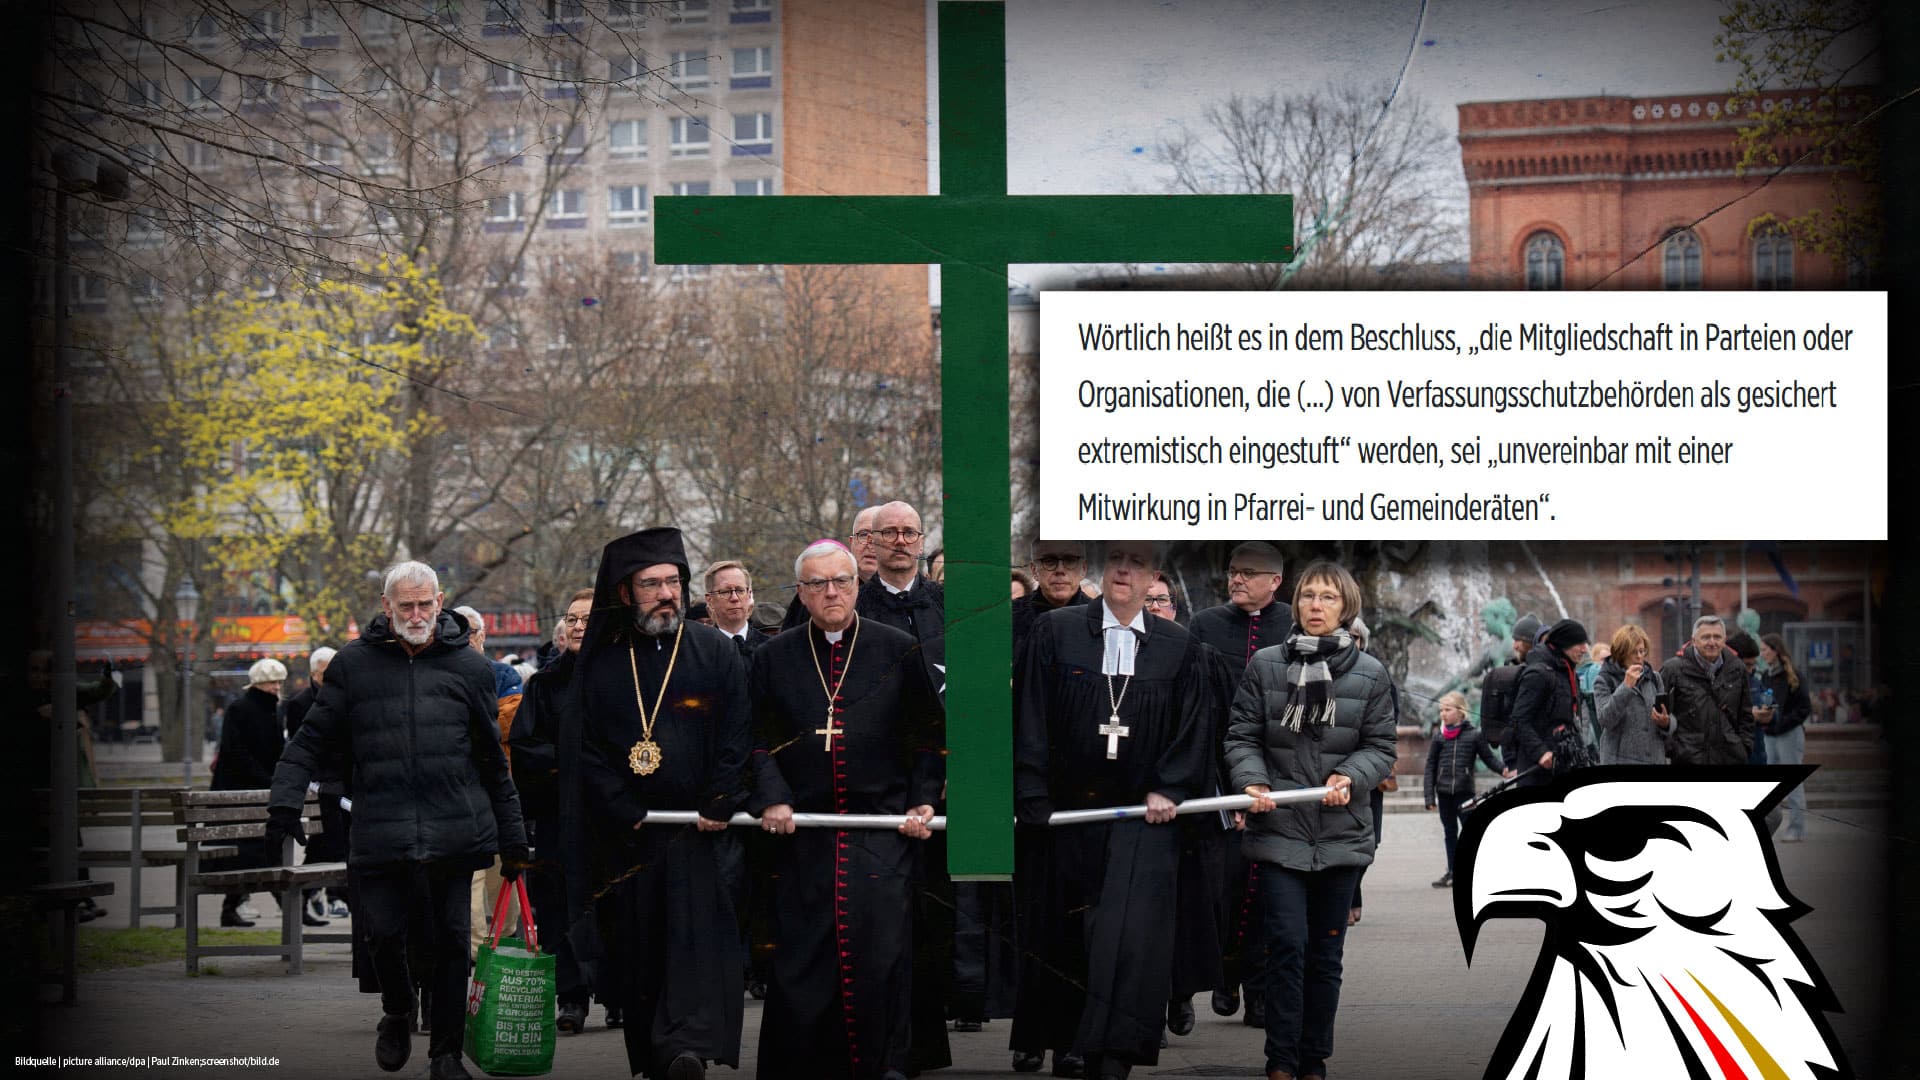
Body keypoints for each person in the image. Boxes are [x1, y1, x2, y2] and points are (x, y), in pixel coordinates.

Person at [268, 562, 526, 1080]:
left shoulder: (469, 668)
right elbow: (310, 741)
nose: (416, 614)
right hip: (381, 825)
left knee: (454, 941)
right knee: (383, 935)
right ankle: (398, 1007)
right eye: (404, 605)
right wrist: (284, 803)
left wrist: (514, 838)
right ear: (386, 607)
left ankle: (447, 1055)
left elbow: (492, 762)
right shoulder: (353, 665)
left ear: (440, 601)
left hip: (455, 825)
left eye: (424, 604)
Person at [556, 529, 753, 1080]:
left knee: (697, 944)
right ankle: (654, 1054)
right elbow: (584, 746)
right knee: (641, 950)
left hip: (699, 831)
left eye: (673, 582)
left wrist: (722, 795)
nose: (666, 593)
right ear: (625, 594)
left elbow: (739, 730)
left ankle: (687, 1048)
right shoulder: (599, 664)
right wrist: (621, 803)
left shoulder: (713, 649)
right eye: (652, 584)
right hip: (631, 837)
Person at [1013, 539, 1213, 1080]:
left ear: (1154, 578)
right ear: (1103, 567)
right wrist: (1032, 791)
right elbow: (1029, 713)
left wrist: (1169, 788)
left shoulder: (1178, 646)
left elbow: (1193, 728)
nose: (1125, 571)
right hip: (1066, 816)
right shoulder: (1055, 632)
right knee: (1066, 936)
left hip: (1140, 821)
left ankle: (1115, 1054)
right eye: (1117, 560)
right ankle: (1068, 1044)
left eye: (1139, 564)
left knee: (1129, 943)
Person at [747, 539, 946, 1080]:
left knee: (880, 954)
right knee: (804, 959)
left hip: (878, 830)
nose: (830, 592)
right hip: (803, 835)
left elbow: (929, 736)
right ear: (801, 594)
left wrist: (923, 799)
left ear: (858, 585)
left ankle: (886, 1063)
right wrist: (772, 795)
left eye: (841, 581)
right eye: (817, 584)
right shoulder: (773, 657)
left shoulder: (897, 647)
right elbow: (754, 741)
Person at [1224, 559, 1397, 1080]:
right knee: (1286, 946)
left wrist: (1350, 774)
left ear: (1346, 608)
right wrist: (1251, 782)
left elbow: (1381, 746)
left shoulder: (1370, 673)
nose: (1315, 606)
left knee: (1325, 954)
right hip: (1279, 833)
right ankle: (1280, 1060)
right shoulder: (1266, 665)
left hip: (1342, 837)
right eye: (1307, 597)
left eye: (1327, 598)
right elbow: (1242, 736)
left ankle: (1313, 1059)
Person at [1186, 541, 1292, 1029]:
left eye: (1249, 573)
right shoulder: (1205, 625)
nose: (1236, 579)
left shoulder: (1294, 624)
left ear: (1276, 581)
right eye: (1233, 571)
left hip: (1281, 777)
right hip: (1218, 775)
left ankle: (1262, 989)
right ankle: (1225, 974)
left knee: (1268, 888)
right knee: (1221, 887)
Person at [508, 589, 604, 1031]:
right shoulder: (544, 685)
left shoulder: (625, 680)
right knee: (560, 910)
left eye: (588, 617)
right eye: (572, 618)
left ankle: (616, 993)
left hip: (611, 818)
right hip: (557, 817)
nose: (579, 625)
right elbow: (526, 746)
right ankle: (571, 998)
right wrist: (572, 762)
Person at [213, 659, 320, 928]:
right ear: (258, 682)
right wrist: (268, 779)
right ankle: (288, 909)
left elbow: (276, 748)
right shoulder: (240, 708)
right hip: (239, 790)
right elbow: (235, 751)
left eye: (278, 682)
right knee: (255, 852)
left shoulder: (272, 708)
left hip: (261, 788)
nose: (276, 687)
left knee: (257, 852)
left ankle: (239, 909)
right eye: (272, 682)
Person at [454, 605, 526, 963]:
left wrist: (474, 723)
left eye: (472, 633)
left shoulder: (502, 673)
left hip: (499, 784)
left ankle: (506, 935)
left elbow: (510, 721)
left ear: (482, 635)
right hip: (464, 788)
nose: (467, 640)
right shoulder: (448, 671)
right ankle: (475, 945)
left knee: (502, 870)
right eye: (460, 633)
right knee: (472, 873)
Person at [1422, 691, 1504, 888]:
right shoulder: (1439, 737)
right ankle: (1452, 871)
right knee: (1449, 832)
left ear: (1461, 711)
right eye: (1441, 710)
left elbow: (1489, 758)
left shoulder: (1474, 735)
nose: (1443, 714)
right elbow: (1430, 767)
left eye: (1448, 710)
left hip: (1465, 792)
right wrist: (1429, 797)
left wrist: (1504, 770)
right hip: (1444, 793)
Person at [1661, 615, 1754, 767]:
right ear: (1693, 640)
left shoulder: (1737, 668)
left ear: (1724, 640)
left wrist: (1744, 748)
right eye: (1705, 637)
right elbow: (1658, 713)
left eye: (1717, 637)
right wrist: (1674, 749)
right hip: (1688, 760)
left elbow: (1745, 714)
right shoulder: (1673, 669)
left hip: (1730, 758)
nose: (1712, 642)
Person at [1509, 618, 1591, 786]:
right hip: (1537, 770)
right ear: (1564, 644)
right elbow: (1519, 720)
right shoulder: (1539, 674)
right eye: (1579, 644)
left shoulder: (1569, 673)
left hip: (1562, 765)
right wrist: (1541, 752)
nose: (1585, 649)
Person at [1758, 632, 1812, 840]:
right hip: (1769, 734)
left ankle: (1796, 829)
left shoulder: (1794, 675)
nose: (1762, 654)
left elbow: (1804, 707)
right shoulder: (1766, 675)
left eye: (1764, 650)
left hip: (1789, 734)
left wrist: (1783, 723)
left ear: (1775, 650)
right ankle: (1770, 825)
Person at [1591, 624, 1671, 766]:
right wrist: (1625, 687)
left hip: (1654, 759)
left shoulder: (1654, 677)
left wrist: (1666, 723)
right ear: (1622, 653)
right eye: (1634, 652)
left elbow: (1668, 721)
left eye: (1642, 651)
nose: (1640, 657)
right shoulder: (1604, 679)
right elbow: (1605, 720)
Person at [1478, 613, 1541, 774]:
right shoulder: (1510, 669)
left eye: (1519, 641)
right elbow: (1507, 719)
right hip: (1520, 758)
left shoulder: (1544, 673)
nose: (1514, 646)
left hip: (1539, 757)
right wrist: (1511, 762)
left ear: (1531, 643)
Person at [1012, 540, 1090, 657]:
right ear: (1034, 570)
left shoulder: (1103, 620)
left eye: (1070, 560)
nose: (1060, 570)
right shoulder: (1010, 617)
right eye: (1049, 561)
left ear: (1083, 569)